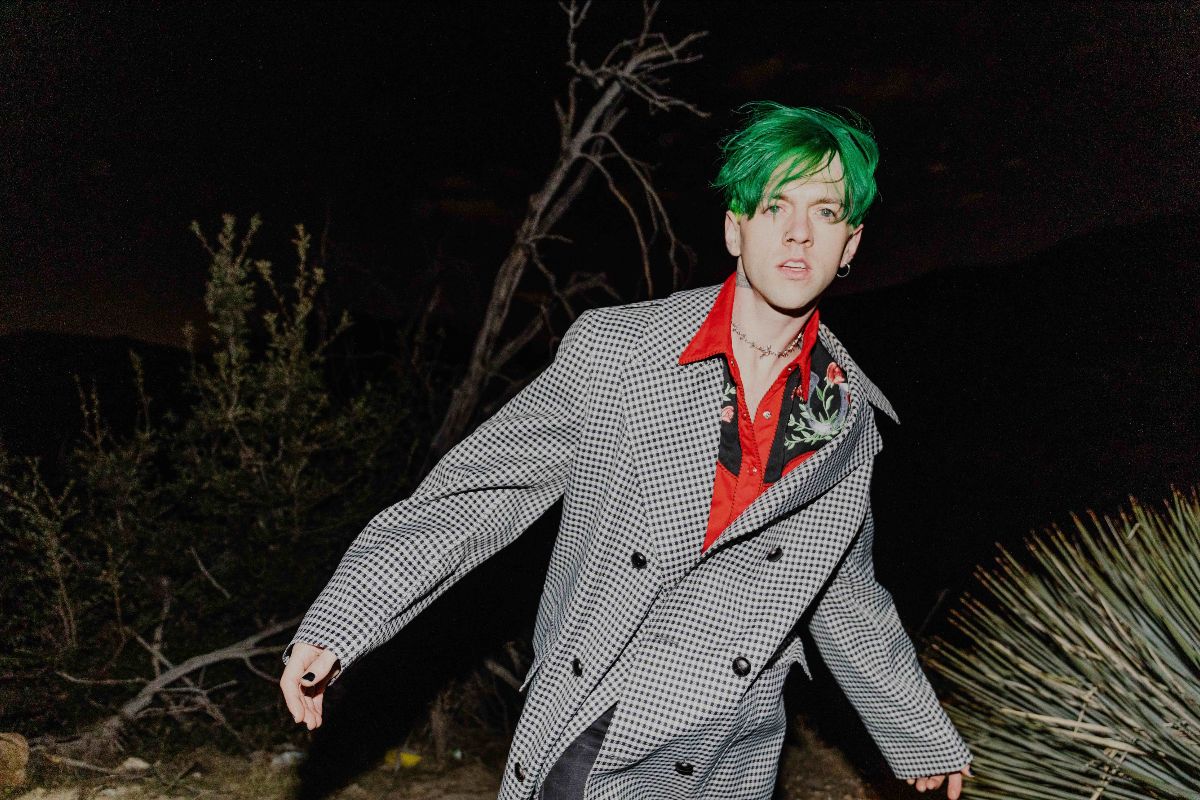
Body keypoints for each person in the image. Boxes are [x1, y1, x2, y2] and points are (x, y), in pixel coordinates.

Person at [280, 102, 973, 799]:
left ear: (850, 244)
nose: (799, 232)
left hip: (729, 755)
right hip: (599, 726)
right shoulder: (621, 351)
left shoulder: (846, 415)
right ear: (734, 228)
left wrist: (916, 729)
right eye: (774, 206)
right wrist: (345, 619)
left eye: (825, 212)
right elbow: (482, 493)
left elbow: (846, 594)